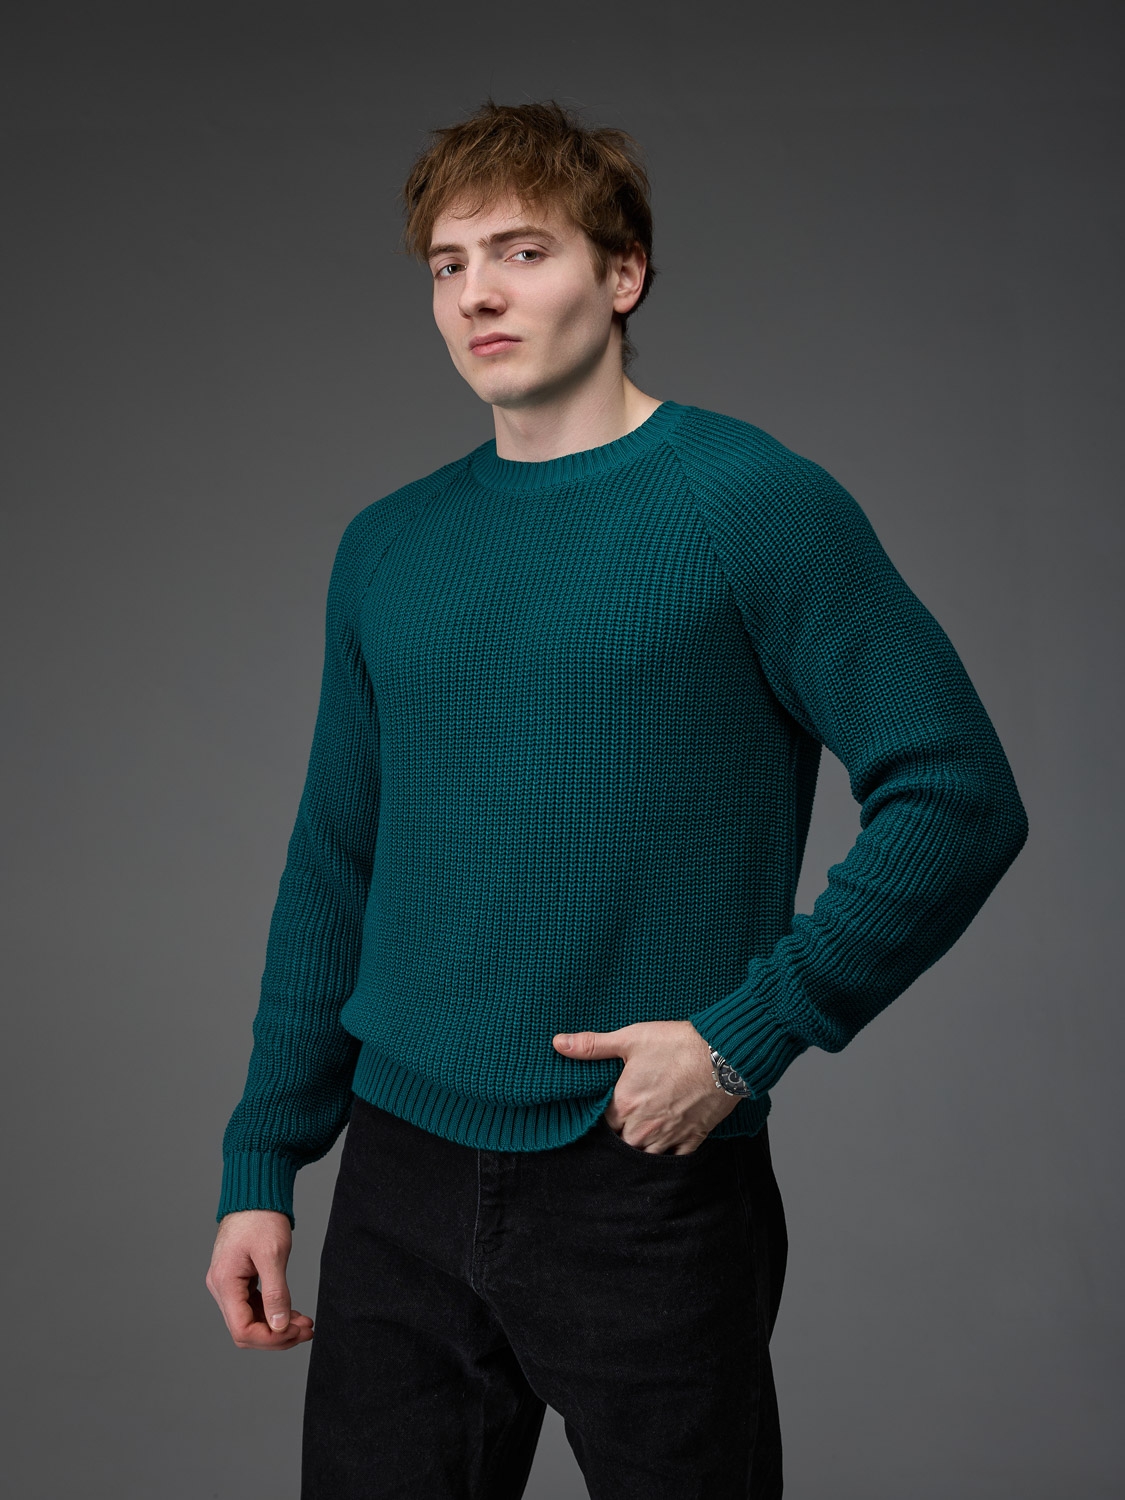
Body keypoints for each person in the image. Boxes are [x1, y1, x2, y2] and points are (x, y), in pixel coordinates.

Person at [205, 98, 1029, 1498]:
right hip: (399, 1179)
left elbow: (957, 794)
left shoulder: (750, 503)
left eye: (521, 252)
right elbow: (335, 861)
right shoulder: (388, 547)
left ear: (623, 273)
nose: (477, 293)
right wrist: (262, 1161)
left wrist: (744, 1038)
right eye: (449, 264)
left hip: (642, 1170)